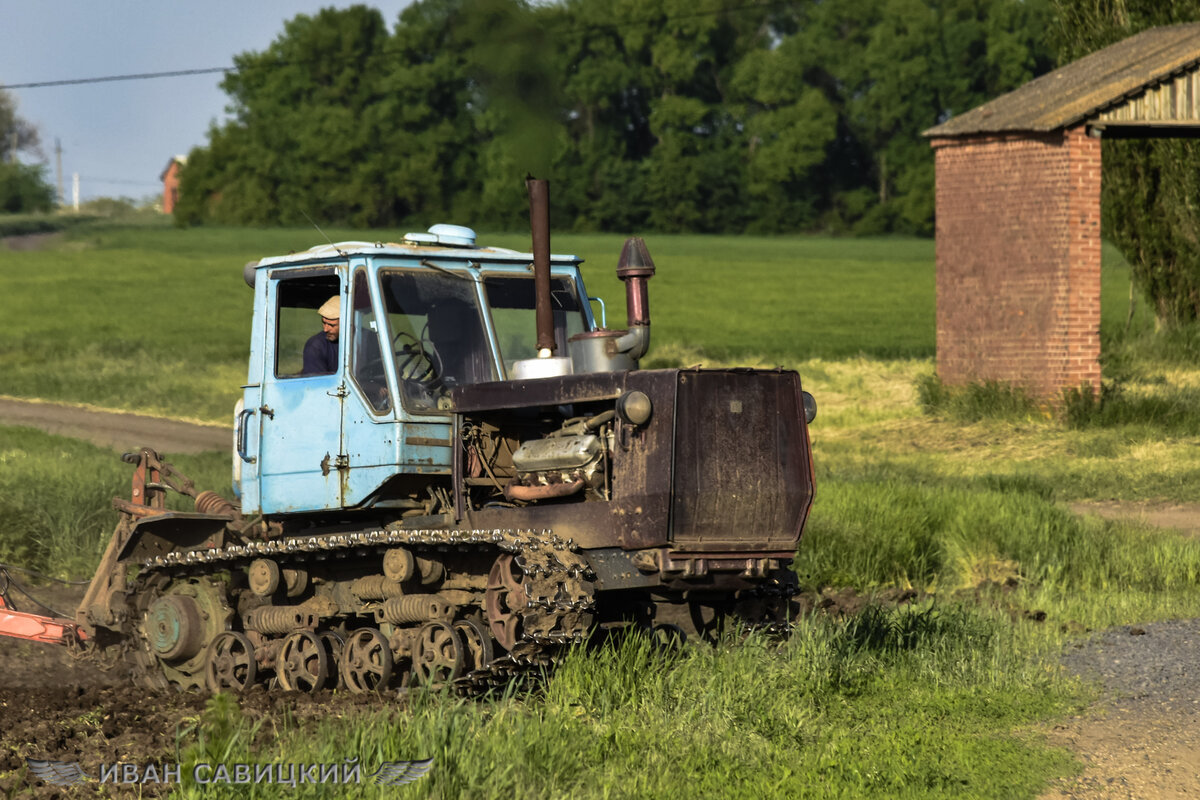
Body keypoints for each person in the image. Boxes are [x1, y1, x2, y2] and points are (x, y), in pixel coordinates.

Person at [301, 296, 339, 375]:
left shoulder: (368, 340)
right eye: (324, 323)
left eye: (331, 325)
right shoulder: (316, 346)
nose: (325, 329)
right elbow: (317, 384)